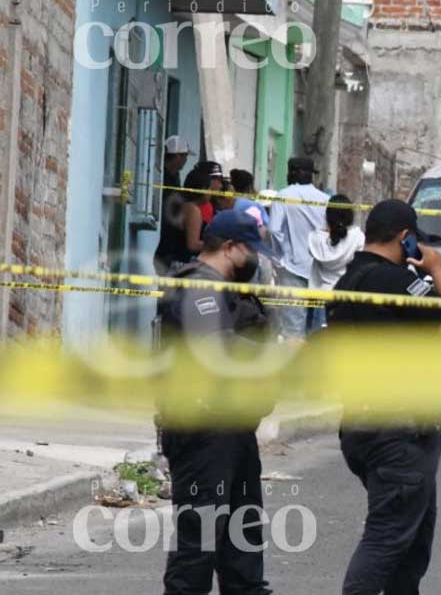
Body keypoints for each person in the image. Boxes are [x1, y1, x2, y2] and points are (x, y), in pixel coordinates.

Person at [326, 200, 441, 595]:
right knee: (388, 540)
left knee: (412, 543)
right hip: (398, 433)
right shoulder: (394, 281)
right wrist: (437, 269)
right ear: (406, 238)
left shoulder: (348, 281)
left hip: (365, 425)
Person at [156, 210, 274, 595]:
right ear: (230, 247)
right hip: (202, 427)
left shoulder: (224, 289)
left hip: (234, 427)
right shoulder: (196, 287)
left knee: (243, 539)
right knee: (199, 543)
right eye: (250, 251)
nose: (255, 261)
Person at [268, 157, 331, 340]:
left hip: (293, 268)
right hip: (319, 269)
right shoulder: (326, 199)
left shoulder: (283, 195)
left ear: (291, 173)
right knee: (316, 328)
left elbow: (273, 230)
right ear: (311, 175)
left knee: (293, 329)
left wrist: (280, 256)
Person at [307, 194, 364, 331]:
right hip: (346, 298)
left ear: (327, 215)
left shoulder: (315, 239)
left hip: (321, 297)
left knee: (317, 343)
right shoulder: (357, 237)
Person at [154, 136, 196, 273]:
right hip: (162, 235)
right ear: (177, 156)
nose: (185, 160)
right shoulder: (162, 177)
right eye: (184, 156)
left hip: (170, 239)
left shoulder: (175, 177)